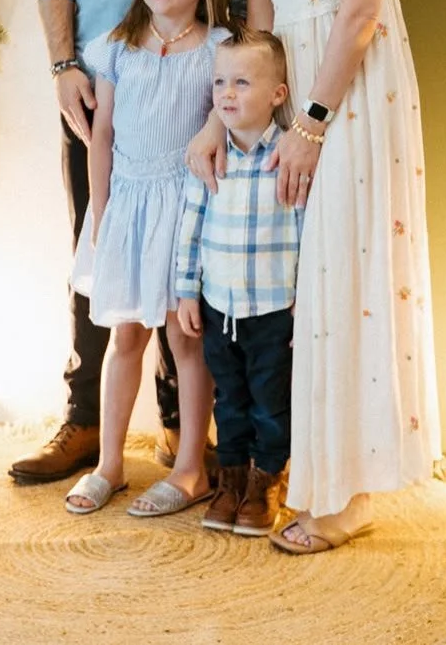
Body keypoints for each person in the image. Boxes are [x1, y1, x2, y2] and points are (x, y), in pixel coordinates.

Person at [191, 0, 439, 554]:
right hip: (289, 111)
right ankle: (310, 471)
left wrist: (311, 124)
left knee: (345, 282)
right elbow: (259, 31)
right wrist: (221, 119)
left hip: (348, 102)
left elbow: (361, 12)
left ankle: (347, 495)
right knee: (302, 294)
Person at [15, 0, 243, 485]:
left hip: (192, 95)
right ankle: (84, 424)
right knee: (98, 242)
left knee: (195, 261)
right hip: (100, 93)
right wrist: (61, 65)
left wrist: (233, 92)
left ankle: (187, 433)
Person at [64, 0, 230, 517]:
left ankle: (190, 467)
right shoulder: (116, 46)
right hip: (128, 206)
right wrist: (101, 212)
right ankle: (109, 463)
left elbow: (222, 129)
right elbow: (101, 133)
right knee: (125, 335)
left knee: (186, 340)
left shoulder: (217, 48)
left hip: (184, 211)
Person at [175, 28, 301, 537]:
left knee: (270, 401)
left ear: (277, 94)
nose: (227, 93)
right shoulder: (211, 158)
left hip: (272, 308)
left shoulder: (286, 161)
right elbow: (191, 225)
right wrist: (186, 290)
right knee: (229, 400)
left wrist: (306, 301)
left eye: (242, 83)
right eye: (220, 82)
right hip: (217, 304)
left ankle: (265, 481)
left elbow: (305, 231)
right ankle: (229, 480)